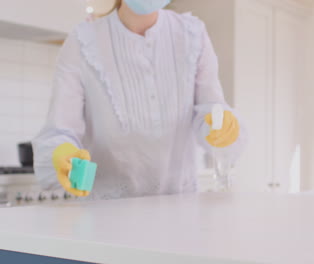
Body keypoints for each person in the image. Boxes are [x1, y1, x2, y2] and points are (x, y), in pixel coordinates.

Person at [32, 0, 246, 200]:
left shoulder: (193, 34)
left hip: (181, 209)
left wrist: (222, 127)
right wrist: (62, 153)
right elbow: (60, 130)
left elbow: (210, 110)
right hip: (108, 215)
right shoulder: (82, 41)